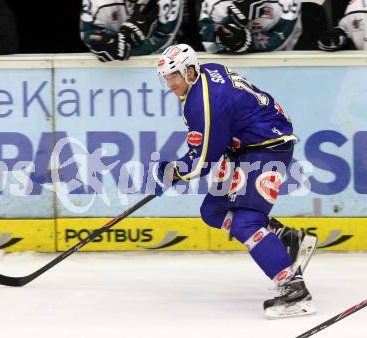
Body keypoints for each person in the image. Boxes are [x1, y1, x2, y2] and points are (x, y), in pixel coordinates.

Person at [148, 43, 317, 318]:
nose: (170, 84)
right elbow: (217, 139)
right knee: (213, 211)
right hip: (245, 147)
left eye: (174, 76)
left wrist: (173, 172)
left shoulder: (202, 103)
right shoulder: (207, 73)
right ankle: (286, 239)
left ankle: (294, 289)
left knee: (245, 221)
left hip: (268, 148)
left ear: (190, 71)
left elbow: (203, 161)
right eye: (166, 78)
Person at [80, 0, 183, 62]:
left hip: (165, 67)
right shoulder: (96, 2)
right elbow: (89, 34)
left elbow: (164, 37)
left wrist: (125, 47)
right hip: (111, 74)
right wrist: (107, 42)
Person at [199, 0, 303, 53]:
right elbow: (210, 46)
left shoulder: (286, 2)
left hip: (281, 65)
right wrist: (232, 18)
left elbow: (282, 39)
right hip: (228, 68)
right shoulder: (214, 3)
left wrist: (248, 41)